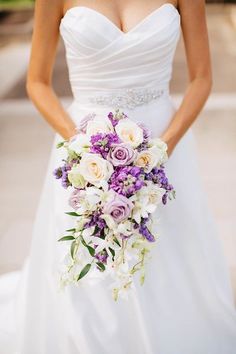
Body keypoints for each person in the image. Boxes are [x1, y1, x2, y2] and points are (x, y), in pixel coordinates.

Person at [1, 1, 236, 353]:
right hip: (84, 154)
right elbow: (37, 82)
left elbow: (202, 79)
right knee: (88, 276)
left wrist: (159, 151)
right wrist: (83, 148)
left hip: (162, 146)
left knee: (167, 267)